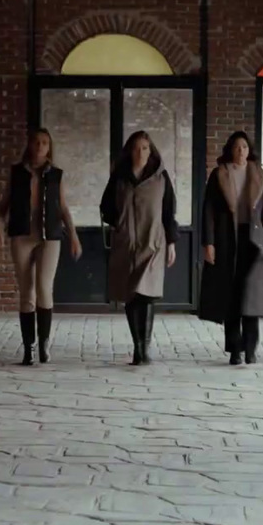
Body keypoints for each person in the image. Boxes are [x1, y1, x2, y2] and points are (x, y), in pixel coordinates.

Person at [0, 128, 82, 365]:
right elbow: (2, 206)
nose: (40, 146)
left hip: (50, 236)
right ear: (30, 145)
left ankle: (44, 343)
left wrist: (73, 235)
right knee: (27, 292)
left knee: (44, 288)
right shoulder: (17, 173)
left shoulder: (56, 175)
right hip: (22, 236)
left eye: (45, 142)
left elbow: (63, 208)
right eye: (37, 142)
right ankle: (28, 348)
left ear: (49, 147)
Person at [100, 131, 177, 366]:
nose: (140, 153)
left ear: (151, 150)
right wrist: (120, 225)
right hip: (126, 244)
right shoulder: (119, 178)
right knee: (131, 295)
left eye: (145, 148)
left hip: (152, 243)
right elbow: (106, 206)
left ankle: (145, 346)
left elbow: (168, 212)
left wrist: (172, 243)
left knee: (147, 294)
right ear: (129, 151)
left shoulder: (161, 178)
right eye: (136, 148)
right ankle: (137, 346)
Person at [197, 131, 263, 365]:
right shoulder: (219, 175)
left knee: (251, 294)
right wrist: (208, 243)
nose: (241, 151)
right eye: (237, 147)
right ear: (230, 149)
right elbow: (208, 210)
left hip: (251, 239)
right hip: (226, 239)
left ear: (250, 151)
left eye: (245, 147)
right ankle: (235, 349)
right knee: (231, 295)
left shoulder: (259, 175)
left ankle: (251, 349)